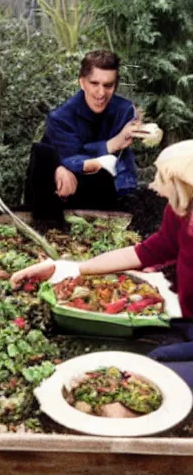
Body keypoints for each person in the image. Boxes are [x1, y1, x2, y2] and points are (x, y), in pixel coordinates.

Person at [12, 140, 193, 386]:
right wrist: (64, 268)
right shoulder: (179, 212)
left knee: (153, 379)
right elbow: (144, 252)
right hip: (187, 323)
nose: (153, 186)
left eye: (161, 179)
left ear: (182, 186)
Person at [24, 49, 143, 223]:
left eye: (108, 86)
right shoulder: (61, 117)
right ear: (82, 82)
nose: (101, 93)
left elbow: (122, 163)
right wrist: (112, 144)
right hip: (63, 191)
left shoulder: (124, 110)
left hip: (110, 190)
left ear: (115, 85)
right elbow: (71, 160)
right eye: (94, 84)